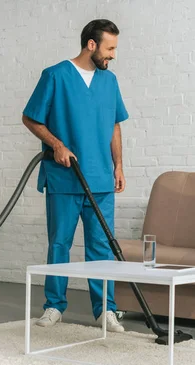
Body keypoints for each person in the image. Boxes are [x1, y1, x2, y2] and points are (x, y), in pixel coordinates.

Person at [22, 19, 128, 332]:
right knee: (59, 245)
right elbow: (30, 118)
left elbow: (115, 125)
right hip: (64, 177)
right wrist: (56, 145)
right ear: (91, 45)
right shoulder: (55, 75)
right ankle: (54, 306)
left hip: (100, 179)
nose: (113, 55)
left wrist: (118, 165)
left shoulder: (110, 82)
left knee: (101, 249)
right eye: (109, 48)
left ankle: (105, 311)